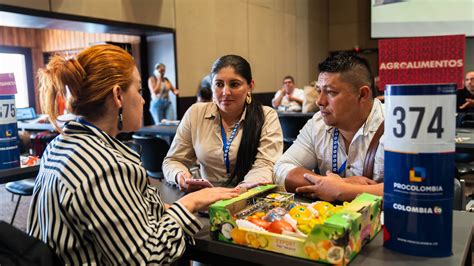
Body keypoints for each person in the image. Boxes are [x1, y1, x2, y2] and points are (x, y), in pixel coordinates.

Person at [27, 44, 239, 265]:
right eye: (138, 91)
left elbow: (121, 214)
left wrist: (180, 204)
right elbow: (148, 258)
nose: (143, 100)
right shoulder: (104, 167)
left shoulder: (60, 145)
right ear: (118, 95)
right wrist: (191, 203)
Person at [274, 52, 384, 202]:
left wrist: (345, 190)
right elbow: (281, 168)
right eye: (319, 91)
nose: (319, 101)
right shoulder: (318, 124)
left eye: (331, 92)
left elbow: (411, 188)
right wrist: (331, 185)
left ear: (363, 94)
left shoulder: (396, 126)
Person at [163, 55, 283, 190]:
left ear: (250, 86)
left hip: (249, 198)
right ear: (212, 87)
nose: (225, 92)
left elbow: (266, 165)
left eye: (234, 84)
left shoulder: (266, 116)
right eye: (219, 84)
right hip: (206, 199)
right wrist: (180, 175)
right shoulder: (195, 113)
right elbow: (173, 160)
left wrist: (237, 193)